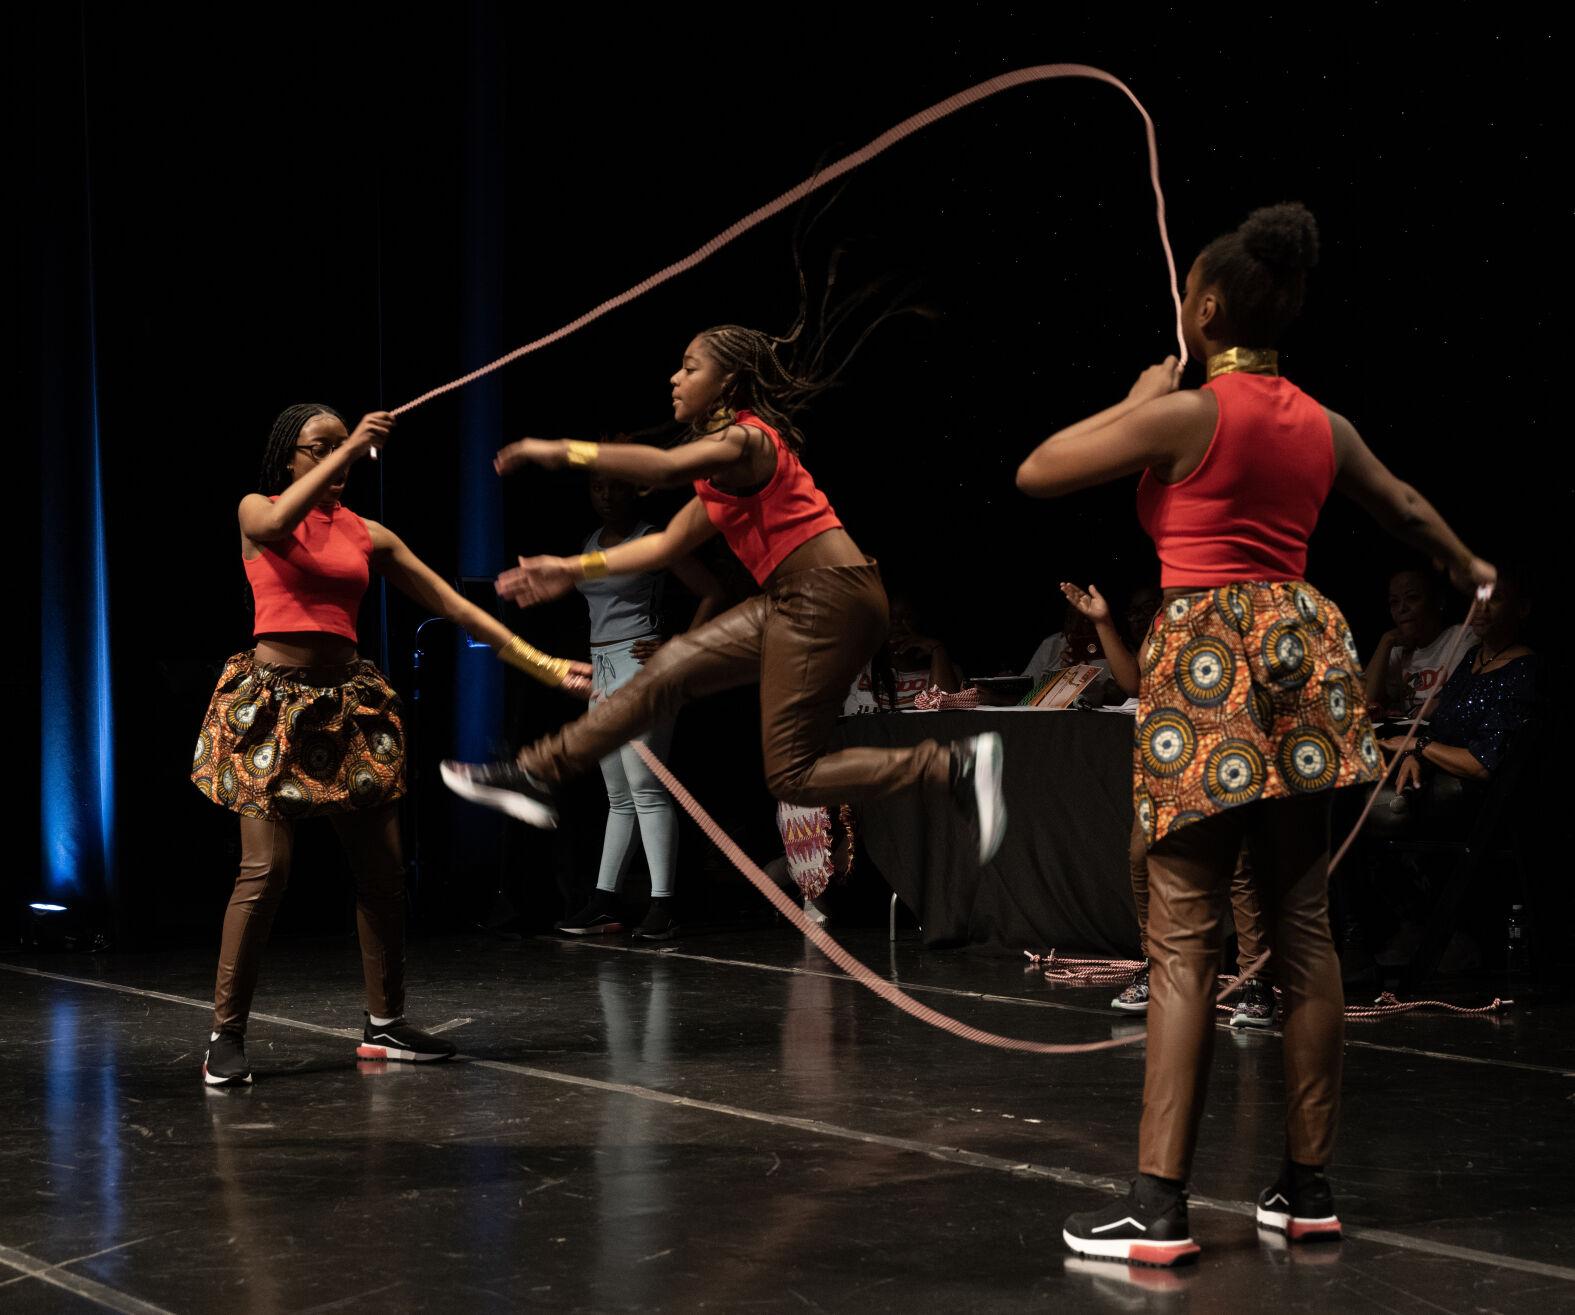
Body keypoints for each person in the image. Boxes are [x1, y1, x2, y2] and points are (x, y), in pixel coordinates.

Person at [1018, 203, 1494, 1264]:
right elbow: (1407, 506)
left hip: (1205, 652)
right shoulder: (1323, 421)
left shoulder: (1188, 411)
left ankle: (1156, 1206)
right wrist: (1473, 567)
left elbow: (1039, 469)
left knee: (1185, 938)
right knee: (1303, 924)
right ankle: (1307, 1188)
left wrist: (1141, 395)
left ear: (1212, 306)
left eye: (1188, 294)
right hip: (1303, 645)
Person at [440, 322, 1007, 868]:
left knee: (791, 774)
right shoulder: (724, 474)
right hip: (793, 599)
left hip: (828, 596)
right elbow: (665, 545)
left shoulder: (747, 439)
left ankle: (952, 765)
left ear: (728, 382)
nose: (674, 379)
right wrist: (571, 567)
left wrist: (562, 449)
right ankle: (537, 773)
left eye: (690, 368)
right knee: (667, 671)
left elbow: (662, 467)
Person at [192, 404, 589, 1087]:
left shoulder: (366, 533)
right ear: (289, 457)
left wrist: (545, 664)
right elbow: (279, 523)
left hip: (345, 703)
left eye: (342, 448)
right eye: (317, 448)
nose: (337, 460)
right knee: (267, 873)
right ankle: (226, 1033)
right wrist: (347, 450)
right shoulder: (256, 509)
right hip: (274, 706)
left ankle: (385, 1024)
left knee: (382, 871)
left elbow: (457, 608)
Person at [1061, 583, 1276, 1029]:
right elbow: (1135, 682)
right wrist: (1103, 622)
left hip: (1222, 745)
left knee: (1236, 865)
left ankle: (1255, 980)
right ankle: (1157, 964)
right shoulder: (1165, 613)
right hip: (1168, 753)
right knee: (1144, 855)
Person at [555, 455, 726, 940]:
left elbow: (712, 591)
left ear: (635, 490)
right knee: (618, 796)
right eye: (597, 487)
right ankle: (605, 901)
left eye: (616, 486)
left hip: (642, 669)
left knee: (646, 790)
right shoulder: (590, 542)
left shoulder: (652, 539)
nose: (606, 496)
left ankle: (663, 905)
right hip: (605, 675)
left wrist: (677, 646)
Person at [1362, 565, 1468, 721]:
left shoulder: (1462, 638)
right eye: (1394, 602)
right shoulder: (1397, 650)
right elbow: (1363, 701)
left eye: (1412, 598)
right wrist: (1386, 641)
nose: (1402, 608)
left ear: (1438, 602)